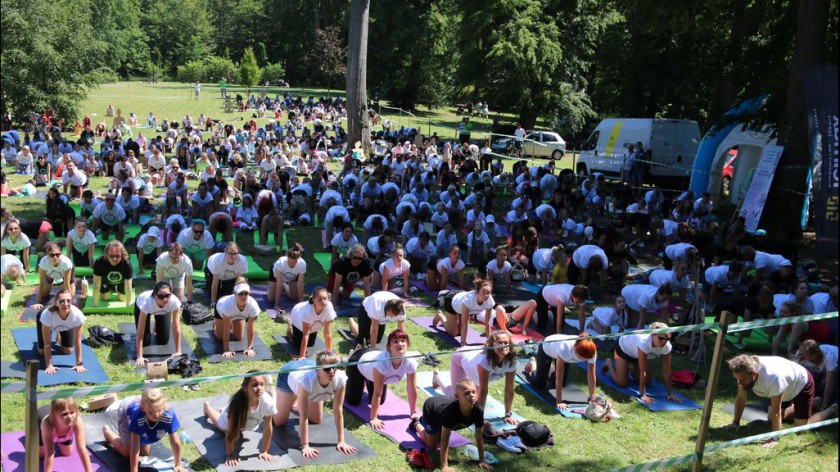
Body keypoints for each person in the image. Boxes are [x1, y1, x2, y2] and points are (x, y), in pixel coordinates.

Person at [723, 354, 838, 445]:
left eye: (741, 380)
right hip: (784, 385)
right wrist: (735, 423)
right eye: (737, 379)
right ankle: (813, 403)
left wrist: (775, 438)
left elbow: (776, 411)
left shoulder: (773, 378)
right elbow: (741, 397)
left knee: (800, 430)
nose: (739, 383)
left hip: (801, 384)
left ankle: (831, 409)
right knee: (770, 419)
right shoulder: (745, 370)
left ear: (753, 374)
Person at [272, 351, 357, 459]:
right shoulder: (306, 380)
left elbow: (338, 410)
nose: (331, 372)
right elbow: (303, 416)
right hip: (289, 372)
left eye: (334, 368)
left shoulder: (340, 378)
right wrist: (305, 446)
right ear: (318, 370)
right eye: (327, 369)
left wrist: (341, 441)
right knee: (279, 422)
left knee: (316, 420)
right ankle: (274, 394)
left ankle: (297, 397)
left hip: (309, 374)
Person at [437, 330, 519, 424]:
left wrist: (508, 414)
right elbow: (484, 390)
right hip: (460, 358)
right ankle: (438, 377)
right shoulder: (484, 362)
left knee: (474, 401)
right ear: (492, 345)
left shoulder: (511, 361)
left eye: (506, 343)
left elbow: (509, 389)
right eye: (499, 343)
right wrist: (479, 418)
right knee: (457, 399)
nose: (503, 346)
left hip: (474, 365)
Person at [410, 378, 492, 471]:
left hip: (442, 413)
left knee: (440, 433)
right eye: (467, 393)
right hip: (431, 409)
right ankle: (416, 422)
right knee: (433, 446)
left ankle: (426, 422)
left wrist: (482, 460)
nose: (471, 395)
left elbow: (479, 437)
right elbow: (445, 441)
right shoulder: (451, 413)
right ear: (457, 396)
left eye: (474, 392)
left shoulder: (478, 411)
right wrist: (444, 466)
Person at [346, 329, 419, 429]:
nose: (400, 344)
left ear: (407, 344)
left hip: (374, 360)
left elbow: (412, 389)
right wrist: (373, 418)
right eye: (395, 342)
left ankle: (368, 381)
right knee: (353, 401)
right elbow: (377, 393)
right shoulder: (382, 363)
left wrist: (413, 412)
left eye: (403, 341)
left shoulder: (410, 362)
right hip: (359, 360)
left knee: (380, 401)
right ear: (389, 347)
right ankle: (353, 365)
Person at [102, 389, 187, 472]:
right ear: (143, 408)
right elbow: (135, 448)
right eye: (151, 412)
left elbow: (175, 442)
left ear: (163, 406)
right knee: (126, 452)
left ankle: (126, 439)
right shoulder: (137, 416)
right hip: (126, 408)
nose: (156, 415)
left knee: (144, 452)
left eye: (159, 410)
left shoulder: (168, 415)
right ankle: (108, 433)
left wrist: (178, 464)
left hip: (144, 402)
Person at [204, 371, 277, 467]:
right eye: (254, 385)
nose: (259, 388)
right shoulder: (237, 405)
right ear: (245, 387)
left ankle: (224, 411)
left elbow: (268, 427)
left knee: (239, 432)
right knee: (223, 429)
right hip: (233, 419)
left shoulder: (268, 403)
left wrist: (264, 451)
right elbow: (230, 432)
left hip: (243, 420)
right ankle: (207, 407)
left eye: (262, 384)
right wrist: (230, 455)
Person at [602, 322, 681, 405]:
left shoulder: (667, 346)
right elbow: (643, 371)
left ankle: (630, 365)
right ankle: (609, 364)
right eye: (661, 338)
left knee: (647, 382)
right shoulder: (644, 342)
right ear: (652, 335)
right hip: (623, 348)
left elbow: (667, 371)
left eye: (667, 339)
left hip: (637, 355)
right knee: (621, 383)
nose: (664, 341)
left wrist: (670, 393)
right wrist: (643, 394)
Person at [523, 333, 598, 409]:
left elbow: (591, 375)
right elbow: (559, 377)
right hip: (546, 347)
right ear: (576, 350)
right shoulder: (565, 348)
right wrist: (559, 401)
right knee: (539, 383)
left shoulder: (591, 351)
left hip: (561, 354)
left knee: (562, 384)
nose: (584, 361)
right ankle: (533, 364)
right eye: (582, 358)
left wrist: (591, 397)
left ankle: (548, 367)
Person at [29, 289, 86, 375]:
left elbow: (77, 342)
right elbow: (47, 343)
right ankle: (40, 341)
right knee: (41, 352)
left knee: (68, 351)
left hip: (65, 325)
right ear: (56, 303)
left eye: (69, 301)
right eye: (62, 301)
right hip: (48, 322)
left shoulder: (77, 315)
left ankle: (59, 332)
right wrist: (49, 365)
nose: (66, 304)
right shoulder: (46, 315)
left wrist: (79, 364)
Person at [432, 279, 503, 346]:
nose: (486, 295)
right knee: (453, 333)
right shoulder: (469, 300)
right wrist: (463, 344)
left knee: (460, 332)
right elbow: (465, 324)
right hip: (452, 301)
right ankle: (440, 315)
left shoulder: (489, 301)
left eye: (488, 293)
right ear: (477, 291)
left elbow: (487, 323)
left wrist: (489, 342)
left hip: (461, 302)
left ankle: (452, 321)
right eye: (483, 292)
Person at [133, 281, 182, 366]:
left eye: (167, 296)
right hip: (143, 307)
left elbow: (176, 327)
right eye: (161, 296)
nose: (165, 299)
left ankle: (157, 325)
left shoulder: (174, 301)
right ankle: (155, 324)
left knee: (163, 340)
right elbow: (140, 331)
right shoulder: (146, 303)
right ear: (155, 295)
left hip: (162, 311)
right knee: (145, 342)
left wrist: (178, 351)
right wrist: (139, 356)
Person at [40, 398, 94, 472]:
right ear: (53, 415)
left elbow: (82, 449)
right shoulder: (47, 424)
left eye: (72, 412)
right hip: (42, 423)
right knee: (42, 455)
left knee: (67, 453)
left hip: (62, 430)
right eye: (65, 414)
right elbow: (49, 452)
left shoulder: (77, 421)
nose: (70, 417)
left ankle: (58, 440)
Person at [214, 281, 261, 358]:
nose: (243, 296)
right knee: (220, 337)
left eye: (246, 293)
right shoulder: (227, 304)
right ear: (234, 293)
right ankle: (216, 324)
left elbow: (250, 328)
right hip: (222, 311)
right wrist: (226, 350)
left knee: (239, 337)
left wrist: (250, 348)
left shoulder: (253, 305)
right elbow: (226, 329)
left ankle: (232, 321)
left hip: (238, 315)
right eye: (240, 293)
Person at [288, 287, 336, 359]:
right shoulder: (307, 310)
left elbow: (327, 333)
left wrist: (329, 353)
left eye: (325, 299)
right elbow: (306, 335)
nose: (323, 301)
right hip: (297, 319)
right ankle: (290, 327)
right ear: (313, 300)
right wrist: (302, 357)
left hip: (313, 325)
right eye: (320, 299)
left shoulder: (328, 307)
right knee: (297, 345)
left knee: (311, 344)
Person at [794, 340, 838, 412]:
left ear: (817, 353)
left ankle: (827, 403)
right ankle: (816, 399)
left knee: (826, 384)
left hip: (835, 366)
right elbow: (794, 378)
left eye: (811, 357)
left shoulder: (829, 357)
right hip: (818, 370)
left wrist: (824, 407)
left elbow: (829, 384)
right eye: (806, 357)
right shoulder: (800, 356)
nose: (809, 360)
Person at [92, 241, 134, 308]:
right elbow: (96, 285)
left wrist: (128, 306)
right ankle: (111, 287)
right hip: (105, 280)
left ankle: (116, 288)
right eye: (111, 256)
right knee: (104, 298)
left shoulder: (126, 263)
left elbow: (128, 287)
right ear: (106, 254)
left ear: (122, 254)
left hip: (121, 281)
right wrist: (95, 306)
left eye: (117, 256)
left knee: (122, 299)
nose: (114, 259)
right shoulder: (99, 262)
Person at [269, 243, 307, 309]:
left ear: (298, 259)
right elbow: (279, 284)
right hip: (276, 276)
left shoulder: (302, 264)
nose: (292, 264)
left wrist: (301, 304)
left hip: (292, 277)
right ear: (287, 258)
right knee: (271, 299)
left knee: (294, 297)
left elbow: (300, 285)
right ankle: (271, 288)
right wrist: (276, 305)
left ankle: (285, 285)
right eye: (289, 262)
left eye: (294, 262)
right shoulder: (280, 263)